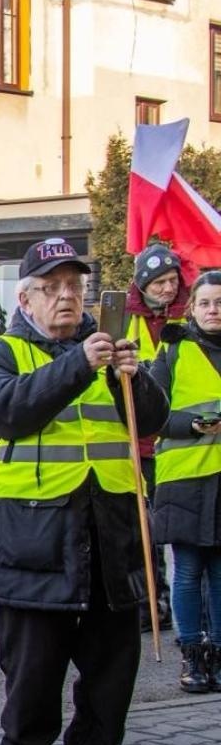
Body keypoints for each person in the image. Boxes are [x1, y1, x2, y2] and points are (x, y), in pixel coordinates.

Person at [0, 238, 167, 745]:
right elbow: (11, 412)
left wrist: (133, 377)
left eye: (74, 287)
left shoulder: (113, 350)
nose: (66, 298)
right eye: (52, 288)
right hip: (36, 534)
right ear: (27, 298)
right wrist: (81, 364)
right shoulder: (5, 352)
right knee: (34, 661)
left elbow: (150, 421)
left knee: (112, 662)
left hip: (110, 528)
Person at [151, 270, 221, 692]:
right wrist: (192, 424)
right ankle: (192, 656)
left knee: (220, 572)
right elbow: (153, 411)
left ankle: (219, 652)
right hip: (185, 477)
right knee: (189, 570)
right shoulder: (173, 350)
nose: (215, 310)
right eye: (207, 303)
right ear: (192, 307)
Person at [128, 243, 189, 633]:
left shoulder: (191, 316)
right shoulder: (125, 321)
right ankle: (156, 601)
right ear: (143, 284)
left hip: (182, 441)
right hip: (139, 442)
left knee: (181, 532)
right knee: (143, 530)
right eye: (160, 281)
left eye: (172, 280)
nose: (168, 288)